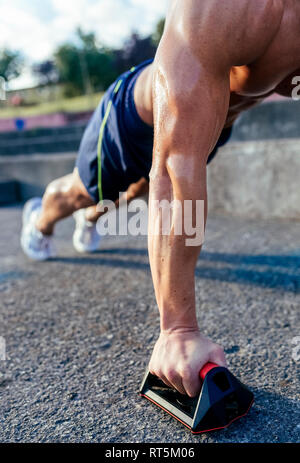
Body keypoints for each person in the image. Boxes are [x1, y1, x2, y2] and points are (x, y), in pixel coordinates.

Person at [21, 0, 300, 398]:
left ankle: (96, 216)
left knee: (132, 196)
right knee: (79, 193)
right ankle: (40, 221)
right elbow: (173, 167)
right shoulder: (220, 10)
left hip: (209, 124)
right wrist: (178, 330)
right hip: (134, 121)